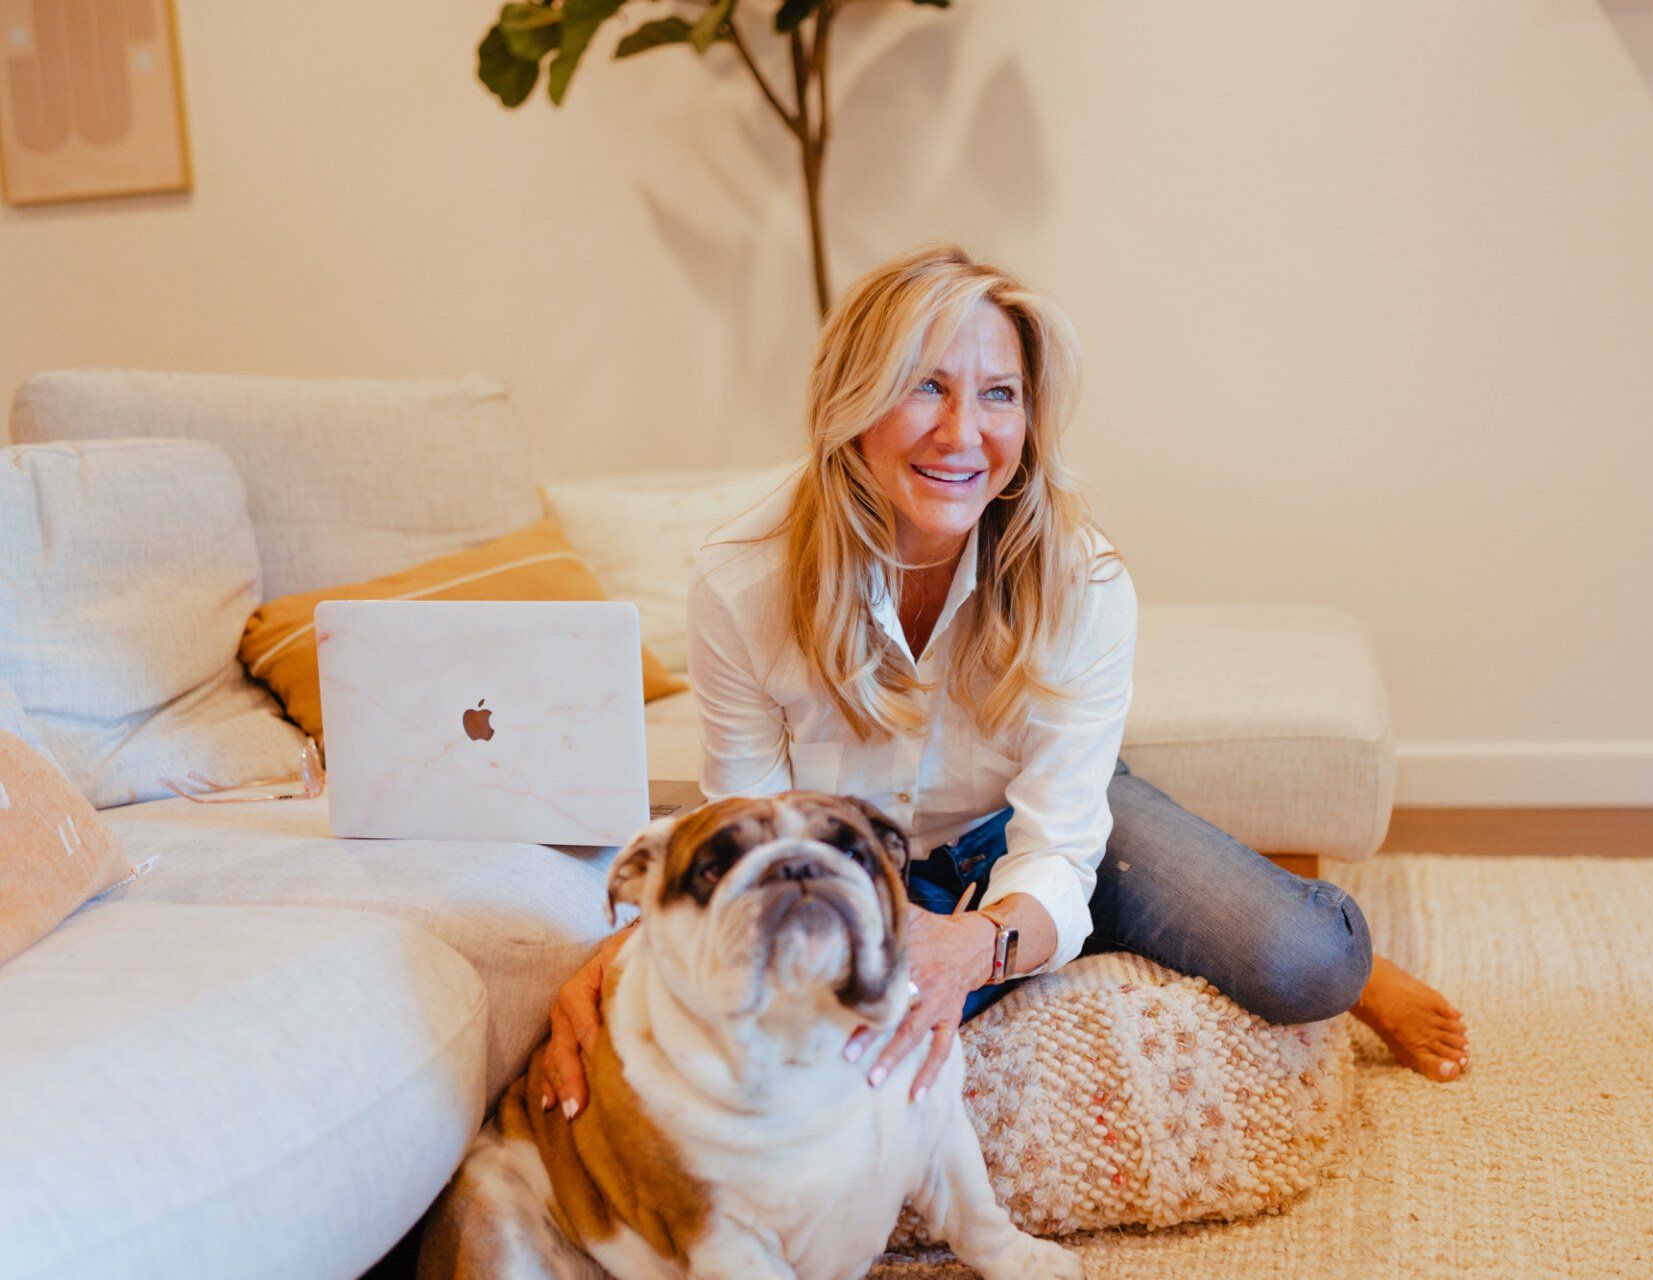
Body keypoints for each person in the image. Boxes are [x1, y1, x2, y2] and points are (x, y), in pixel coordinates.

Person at [536, 243, 1468, 1120]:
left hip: (1027, 819)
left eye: (998, 394)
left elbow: (1056, 840)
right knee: (793, 1063)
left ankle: (1207, 929)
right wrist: (651, 949)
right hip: (860, 868)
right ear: (852, 403)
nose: (963, 433)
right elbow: (755, 829)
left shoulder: (1083, 582)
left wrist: (982, 941)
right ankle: (1094, 925)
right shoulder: (742, 581)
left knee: (1308, 964)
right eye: (925, 386)